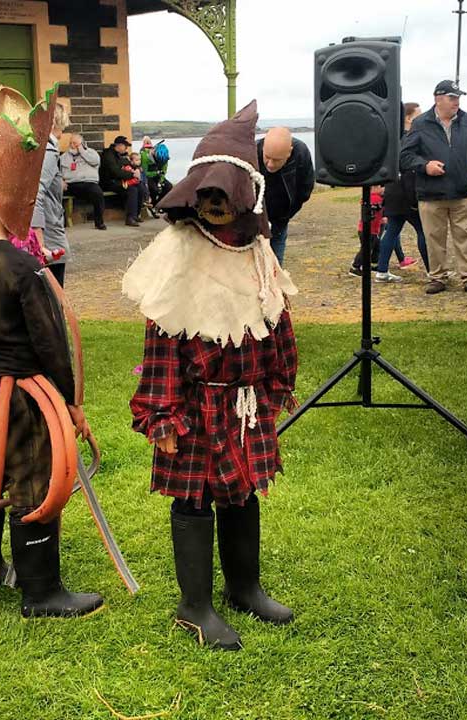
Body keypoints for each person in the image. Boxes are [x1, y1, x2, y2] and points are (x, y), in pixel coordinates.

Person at [125, 101, 299, 651]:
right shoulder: (179, 253)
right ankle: (194, 605)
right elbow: (162, 341)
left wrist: (277, 384)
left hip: (246, 402)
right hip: (196, 407)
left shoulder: (258, 253)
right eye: (208, 194)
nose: (216, 206)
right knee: (194, 499)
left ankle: (244, 587)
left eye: (225, 195)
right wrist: (162, 413)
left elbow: (277, 320)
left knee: (243, 491)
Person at [0, 86, 103, 618]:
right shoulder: (23, 268)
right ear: (16, 198)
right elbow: (51, 343)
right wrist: (67, 402)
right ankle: (41, 592)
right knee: (35, 475)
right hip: (24, 392)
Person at [400, 81, 467, 294]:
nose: (456, 102)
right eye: (452, 97)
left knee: (465, 237)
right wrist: (425, 166)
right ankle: (438, 277)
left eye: (458, 98)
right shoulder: (421, 123)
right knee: (434, 238)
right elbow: (405, 156)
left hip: (461, 193)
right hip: (431, 194)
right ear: (438, 99)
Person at [367, 102, 427, 282]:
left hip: (393, 191)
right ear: (408, 118)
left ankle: (382, 270)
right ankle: (433, 271)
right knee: (423, 230)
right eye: (418, 115)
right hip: (407, 192)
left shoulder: (393, 138)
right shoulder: (411, 138)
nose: (422, 118)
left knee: (392, 230)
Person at [257, 126, 315, 266]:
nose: (270, 165)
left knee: (276, 269)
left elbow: (304, 190)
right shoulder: (251, 152)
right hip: (252, 223)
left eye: (277, 160)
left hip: (279, 222)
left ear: (289, 152)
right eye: (267, 157)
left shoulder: (301, 153)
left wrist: (285, 216)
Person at [32, 103, 70, 286]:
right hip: (47, 232)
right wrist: (40, 245)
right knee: (53, 297)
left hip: (46, 227)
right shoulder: (47, 150)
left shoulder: (39, 148)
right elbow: (36, 194)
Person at [62, 134, 107, 230]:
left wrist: (82, 151)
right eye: (71, 143)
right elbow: (58, 171)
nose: (72, 145)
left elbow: (95, 162)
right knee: (55, 192)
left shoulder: (91, 153)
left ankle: (99, 222)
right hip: (71, 184)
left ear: (82, 144)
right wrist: (61, 181)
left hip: (89, 183)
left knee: (97, 193)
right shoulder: (64, 156)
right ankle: (62, 222)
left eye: (75, 143)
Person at [100, 135, 143, 226]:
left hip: (119, 181)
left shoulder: (120, 155)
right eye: (125, 146)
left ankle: (136, 215)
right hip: (110, 182)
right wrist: (132, 174)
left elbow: (129, 164)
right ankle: (130, 218)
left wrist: (137, 169)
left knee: (140, 187)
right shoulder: (108, 155)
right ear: (119, 145)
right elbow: (116, 172)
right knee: (132, 189)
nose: (126, 148)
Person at [140, 136, 173, 205]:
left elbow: (164, 171)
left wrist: (160, 181)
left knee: (169, 187)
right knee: (154, 189)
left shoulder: (165, 158)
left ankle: (159, 203)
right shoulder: (144, 157)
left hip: (158, 175)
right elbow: (144, 173)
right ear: (154, 153)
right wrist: (156, 173)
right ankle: (153, 203)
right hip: (148, 176)